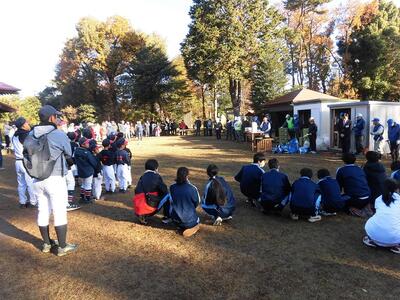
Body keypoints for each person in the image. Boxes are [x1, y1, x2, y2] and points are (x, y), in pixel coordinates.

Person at [27, 105, 77, 256]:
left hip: (36, 178)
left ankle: (47, 244)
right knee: (59, 211)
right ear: (51, 118)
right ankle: (62, 246)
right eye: (56, 116)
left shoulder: (31, 133)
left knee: (43, 211)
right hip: (54, 177)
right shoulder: (57, 133)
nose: (58, 118)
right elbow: (68, 152)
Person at [363, 179, 400, 254]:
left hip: (374, 235)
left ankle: (372, 240)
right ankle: (396, 245)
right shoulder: (398, 199)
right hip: (395, 239)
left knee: (375, 219)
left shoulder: (378, 199)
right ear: (396, 189)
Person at [134, 159, 170, 224]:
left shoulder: (142, 177)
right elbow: (164, 190)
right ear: (156, 168)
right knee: (168, 195)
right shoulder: (156, 176)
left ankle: (142, 215)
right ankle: (166, 217)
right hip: (149, 205)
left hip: (138, 207)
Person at [12, 117, 37, 208]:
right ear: (23, 125)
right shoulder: (25, 134)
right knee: (30, 182)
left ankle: (22, 202)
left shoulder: (15, 134)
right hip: (25, 161)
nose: (28, 124)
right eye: (26, 123)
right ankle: (33, 202)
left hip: (18, 161)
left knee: (21, 183)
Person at [336, 153, 371, 217]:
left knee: (337, 202)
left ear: (343, 160)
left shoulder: (341, 170)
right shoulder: (360, 169)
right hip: (368, 197)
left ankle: (353, 210)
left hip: (355, 198)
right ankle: (364, 207)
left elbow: (338, 187)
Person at [170, 167, 201, 237]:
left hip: (175, 220)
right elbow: (197, 202)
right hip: (189, 221)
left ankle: (181, 225)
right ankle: (192, 227)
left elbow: (172, 200)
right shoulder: (192, 188)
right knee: (198, 221)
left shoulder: (172, 187)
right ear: (187, 176)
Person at [74, 137, 99, 204]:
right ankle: (87, 199)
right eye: (87, 143)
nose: (88, 144)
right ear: (83, 144)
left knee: (83, 184)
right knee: (88, 185)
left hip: (81, 171)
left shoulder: (76, 151)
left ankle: (82, 197)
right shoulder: (87, 152)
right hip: (88, 171)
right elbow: (93, 162)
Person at [65, 132, 80, 211]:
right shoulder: (75, 145)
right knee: (71, 182)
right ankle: (68, 202)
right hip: (69, 163)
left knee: (67, 182)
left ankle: (66, 201)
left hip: (63, 164)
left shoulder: (66, 143)